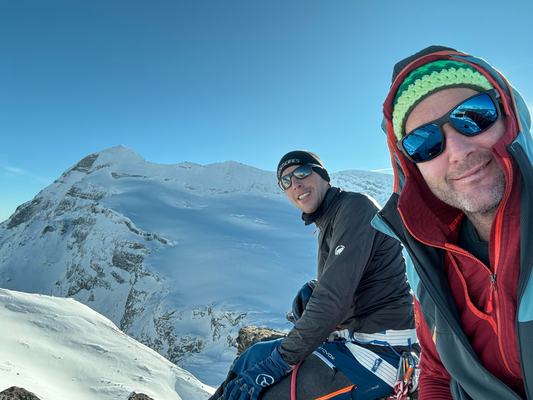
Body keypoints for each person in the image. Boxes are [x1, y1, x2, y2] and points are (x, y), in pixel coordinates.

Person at [373, 45, 533, 399]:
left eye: (474, 115)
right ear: (412, 167)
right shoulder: (428, 259)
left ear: (509, 119)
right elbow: (437, 372)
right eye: (425, 142)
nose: (458, 151)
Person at [210, 150, 418, 400]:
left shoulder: (356, 207)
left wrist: (279, 362)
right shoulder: (330, 217)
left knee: (266, 395)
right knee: (251, 358)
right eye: (285, 181)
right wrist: (316, 287)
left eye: (301, 173)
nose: (295, 184)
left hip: (379, 352)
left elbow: (333, 298)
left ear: (323, 176)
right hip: (349, 342)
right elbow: (351, 279)